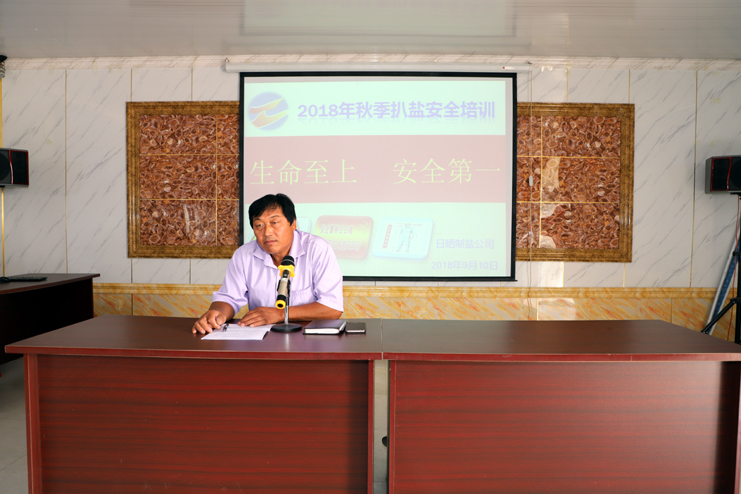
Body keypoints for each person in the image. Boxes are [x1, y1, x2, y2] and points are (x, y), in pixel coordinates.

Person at [193, 193, 343, 334]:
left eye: (274, 223)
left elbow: (332, 308)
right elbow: (228, 298)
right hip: (260, 337)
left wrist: (279, 314)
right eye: (259, 225)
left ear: (293, 223)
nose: (267, 232)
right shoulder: (244, 255)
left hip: (308, 338)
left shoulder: (317, 249)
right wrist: (217, 313)